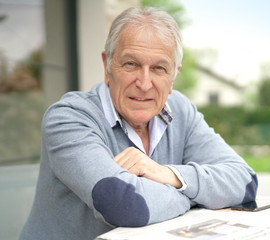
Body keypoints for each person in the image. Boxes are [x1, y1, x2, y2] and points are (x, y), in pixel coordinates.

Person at [20, 6, 257, 240]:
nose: (144, 83)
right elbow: (124, 205)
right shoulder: (69, 118)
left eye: (159, 68)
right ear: (107, 65)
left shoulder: (181, 110)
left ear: (173, 76)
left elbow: (245, 183)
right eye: (131, 64)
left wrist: (168, 174)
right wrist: (198, 196)